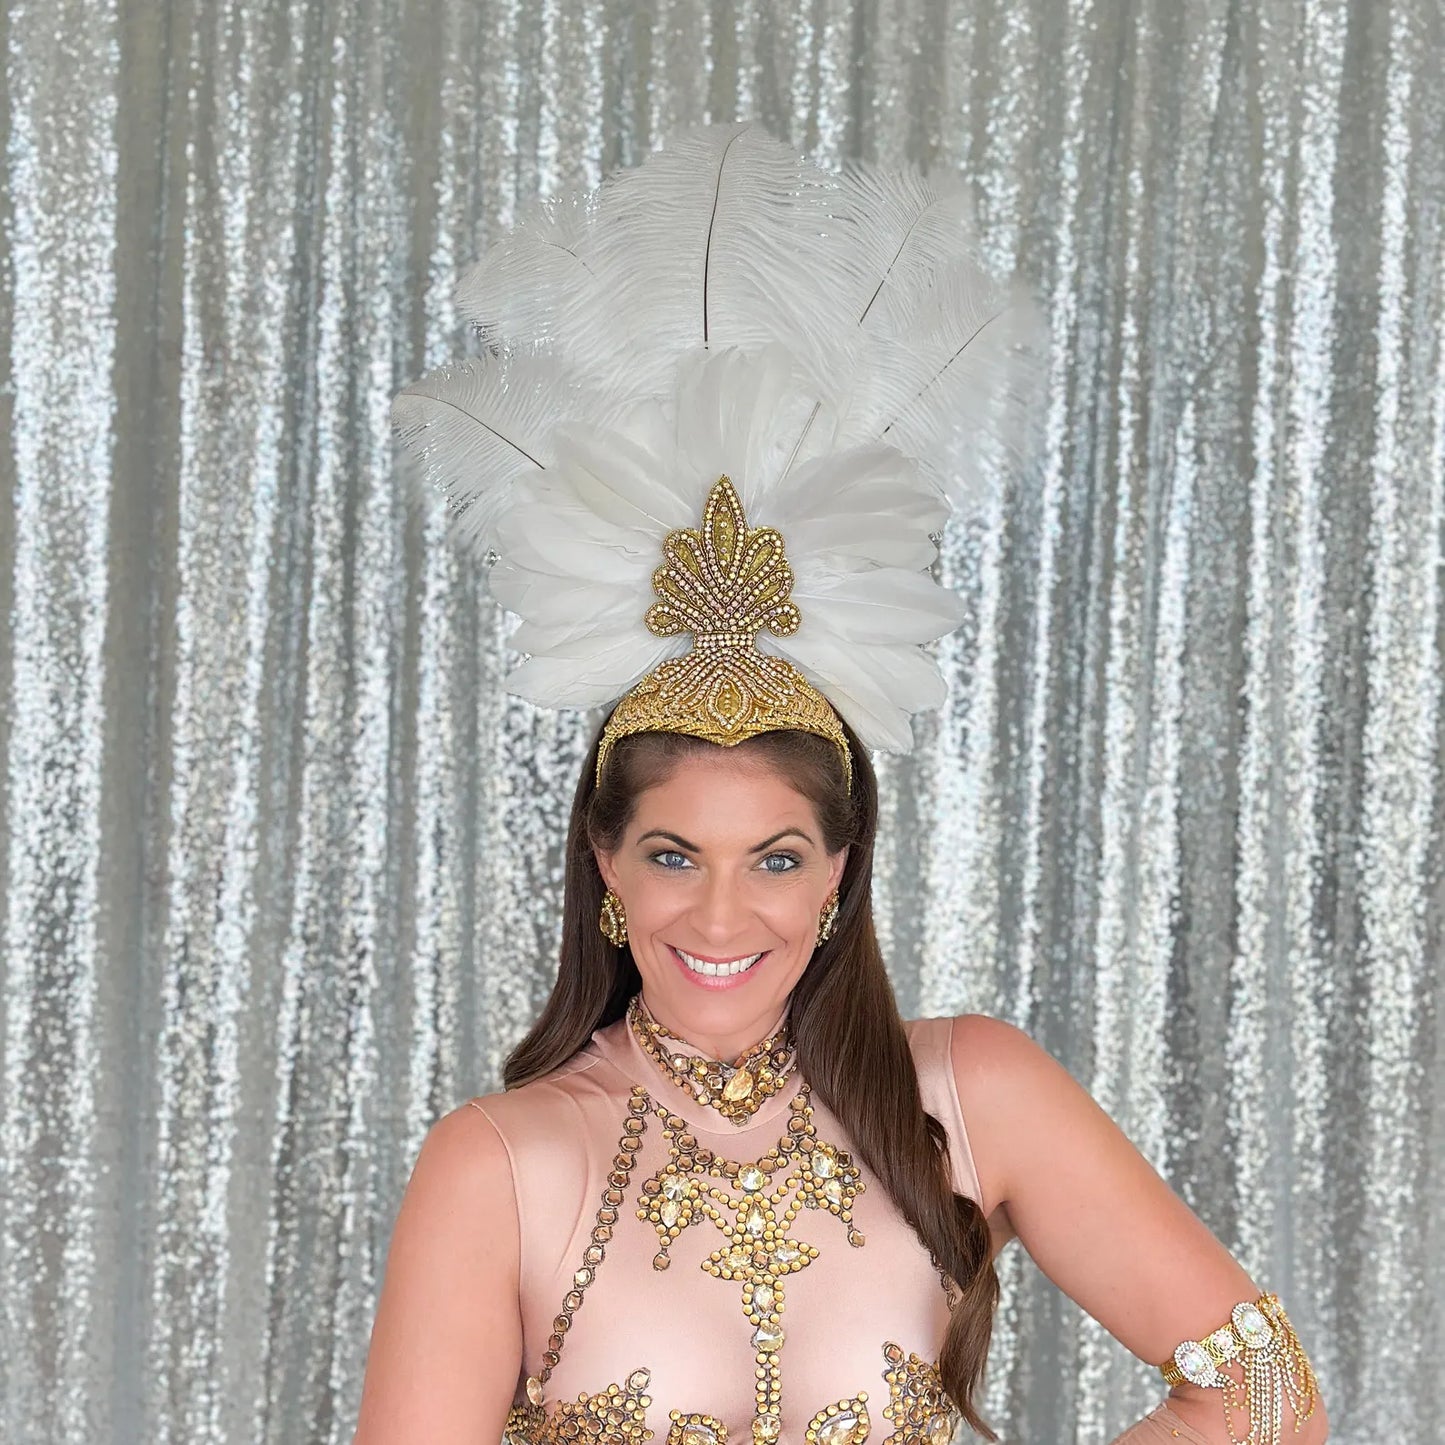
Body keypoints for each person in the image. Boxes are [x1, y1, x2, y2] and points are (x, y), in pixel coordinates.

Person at [354, 123, 1327, 1445]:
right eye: (672, 853)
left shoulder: (970, 1094)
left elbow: (1263, 1394)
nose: (717, 915)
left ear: (838, 873)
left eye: (774, 856)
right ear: (602, 863)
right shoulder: (501, 1161)